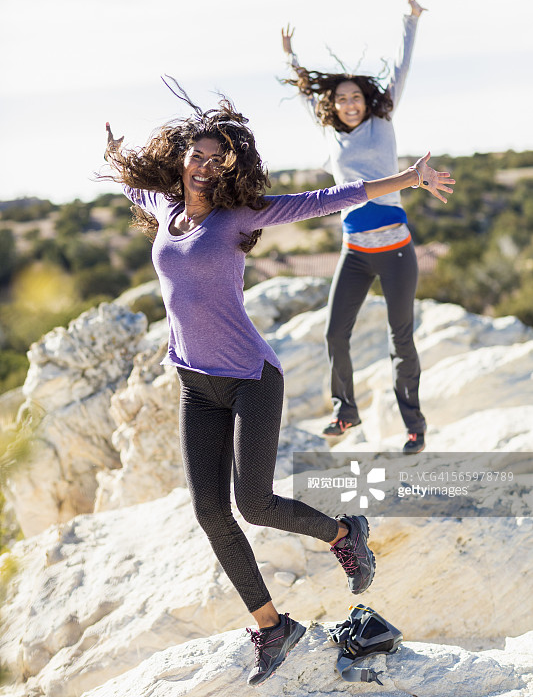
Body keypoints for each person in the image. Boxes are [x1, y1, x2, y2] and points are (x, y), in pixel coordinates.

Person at [103, 81, 453, 686]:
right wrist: (117, 158)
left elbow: (331, 196)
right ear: (182, 159)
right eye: (198, 157)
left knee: (254, 503)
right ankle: (273, 626)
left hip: (251, 378)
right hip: (195, 382)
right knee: (212, 512)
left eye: (219, 160)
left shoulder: (244, 214)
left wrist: (406, 179)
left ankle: (346, 533)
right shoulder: (167, 208)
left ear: (230, 167)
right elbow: (136, 187)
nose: (207, 168)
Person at [281, 0, 431, 454]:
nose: (349, 103)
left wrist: (411, 21)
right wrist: (291, 59)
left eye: (355, 97)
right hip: (355, 251)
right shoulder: (329, 133)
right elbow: (308, 95)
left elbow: (402, 71)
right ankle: (345, 411)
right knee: (334, 333)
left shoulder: (382, 123)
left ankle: (414, 427)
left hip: (397, 251)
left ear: (367, 100)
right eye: (342, 99)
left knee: (400, 339)